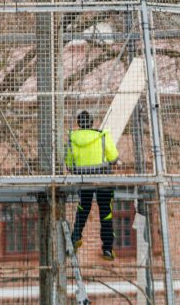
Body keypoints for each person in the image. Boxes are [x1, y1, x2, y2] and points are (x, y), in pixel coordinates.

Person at [66, 110, 119, 260]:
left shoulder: (71, 138)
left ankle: (75, 238)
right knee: (105, 212)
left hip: (83, 180)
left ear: (78, 123)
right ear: (92, 122)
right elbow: (114, 157)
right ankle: (107, 248)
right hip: (102, 178)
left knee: (83, 209)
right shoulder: (102, 135)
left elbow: (69, 164)